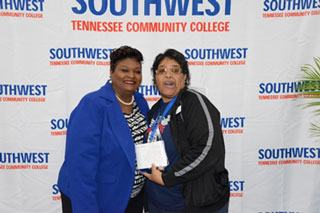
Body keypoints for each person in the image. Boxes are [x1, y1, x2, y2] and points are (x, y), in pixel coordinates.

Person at [57, 45, 149, 213]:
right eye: (124, 70)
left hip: (132, 199)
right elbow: (80, 168)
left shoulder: (141, 102)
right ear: (111, 72)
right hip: (97, 199)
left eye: (137, 71)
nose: (131, 76)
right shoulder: (92, 105)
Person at [142, 49, 230, 213]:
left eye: (175, 70)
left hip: (190, 205)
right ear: (155, 78)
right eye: (162, 71)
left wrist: (167, 178)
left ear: (185, 78)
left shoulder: (193, 102)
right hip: (157, 203)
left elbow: (207, 149)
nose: (168, 75)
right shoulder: (154, 111)